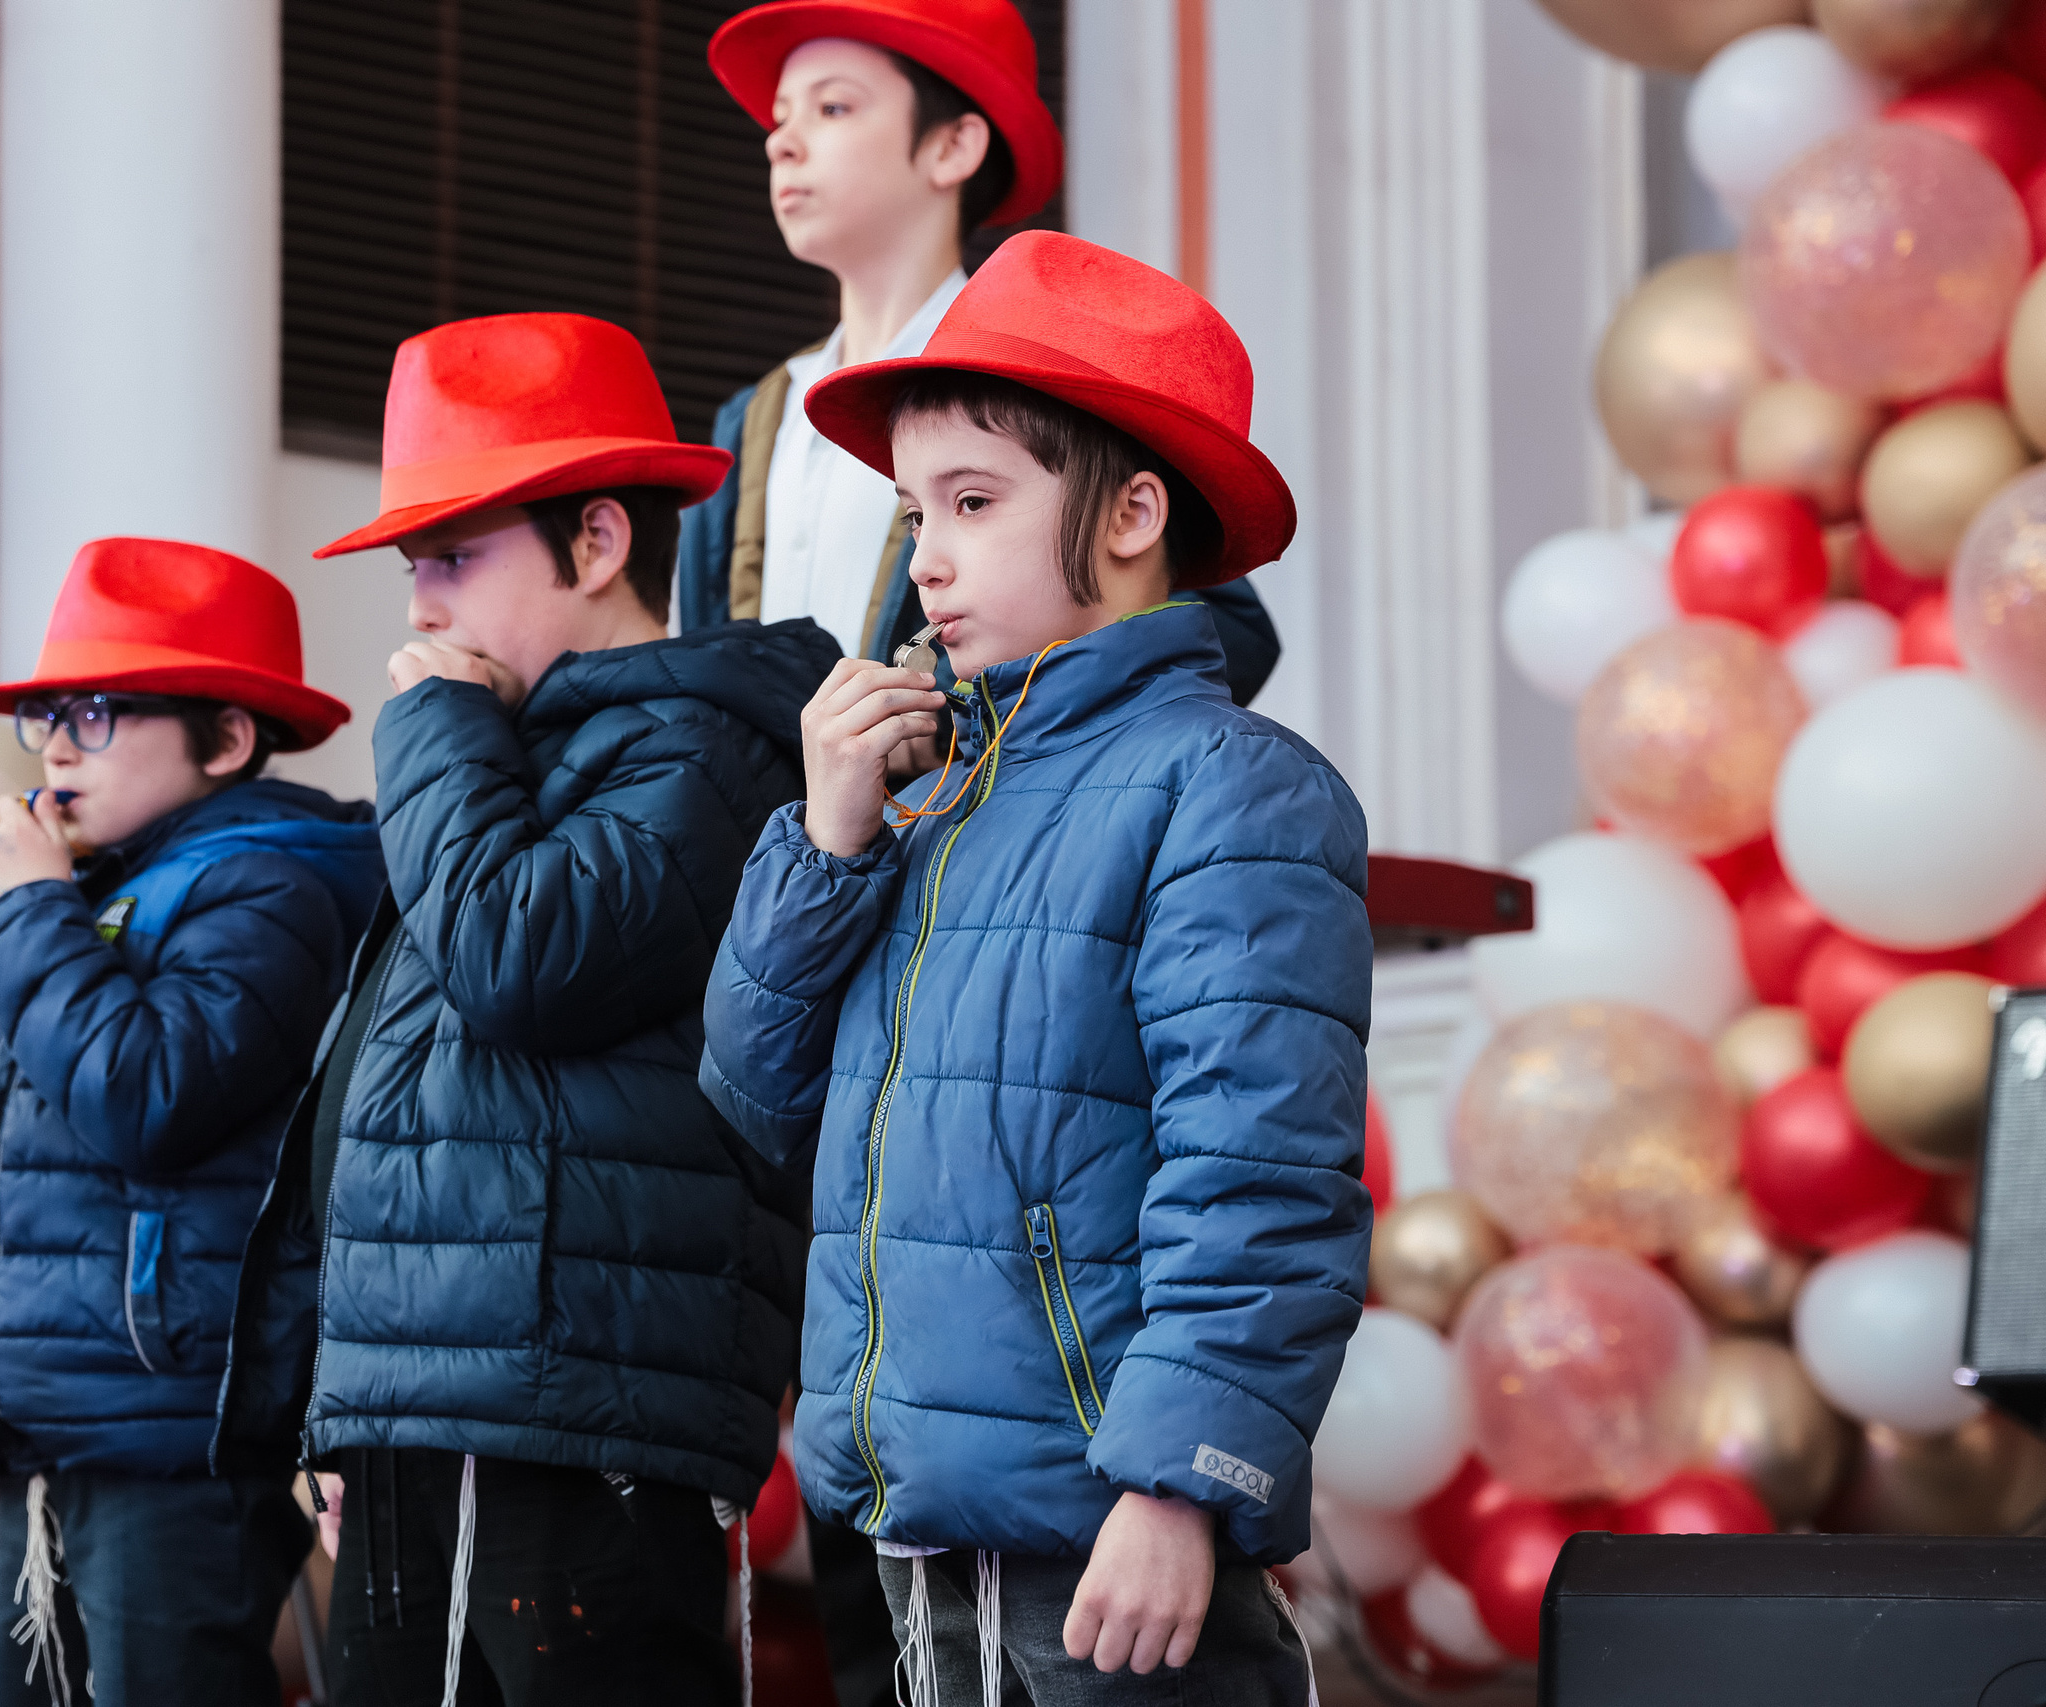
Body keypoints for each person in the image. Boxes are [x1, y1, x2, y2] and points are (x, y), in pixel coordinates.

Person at [699, 231, 1372, 1703]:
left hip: (1108, 1541)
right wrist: (825, 838)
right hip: (912, 1534)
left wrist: (1184, 1482)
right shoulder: (924, 793)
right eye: (912, 508)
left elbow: (1258, 1172)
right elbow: (752, 1099)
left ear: (1133, 510)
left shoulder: (1233, 785)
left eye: (974, 501)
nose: (924, 555)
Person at [217, 310, 842, 1706]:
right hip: (431, 1407)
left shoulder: (702, 743)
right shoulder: (499, 752)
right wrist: (344, 1402)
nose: (419, 605)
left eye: (453, 557)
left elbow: (521, 955)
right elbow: (377, 1092)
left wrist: (434, 729)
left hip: (582, 1413)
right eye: (413, 565)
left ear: (601, 540)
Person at [0, 537, 386, 1707]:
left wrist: (26, 909)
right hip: (72, 1425)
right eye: (49, 713)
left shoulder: (267, 883)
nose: (59, 743)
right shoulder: (102, 889)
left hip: (176, 1430)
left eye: (104, 712)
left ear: (225, 739)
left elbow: (145, 1097)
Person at [679, 0, 1281, 712]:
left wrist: (945, 728)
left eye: (833, 108)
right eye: (781, 116)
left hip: (967, 808)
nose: (782, 141)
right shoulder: (755, 417)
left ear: (953, 146)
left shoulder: (1037, 375)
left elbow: (1229, 625)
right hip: (802, 824)